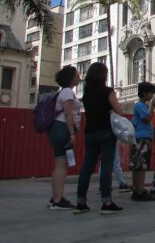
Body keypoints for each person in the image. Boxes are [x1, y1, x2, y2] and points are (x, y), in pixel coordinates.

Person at [75, 62, 125, 215]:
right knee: (106, 166)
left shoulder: (86, 94)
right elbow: (119, 111)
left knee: (87, 167)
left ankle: (81, 201)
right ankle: (106, 201)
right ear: (104, 75)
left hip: (90, 132)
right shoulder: (107, 92)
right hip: (106, 132)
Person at [47, 65, 81, 210]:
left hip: (58, 128)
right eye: (77, 75)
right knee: (61, 164)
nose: (79, 77)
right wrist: (72, 133)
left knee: (59, 163)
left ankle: (55, 197)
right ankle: (58, 199)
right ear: (71, 78)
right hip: (63, 128)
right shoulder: (67, 92)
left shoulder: (63, 92)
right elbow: (68, 113)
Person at [130, 82, 155, 202]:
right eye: (150, 93)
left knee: (138, 165)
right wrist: (153, 107)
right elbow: (147, 119)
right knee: (141, 165)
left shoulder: (141, 106)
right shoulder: (140, 106)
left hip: (141, 137)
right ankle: (140, 191)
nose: (152, 95)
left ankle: (137, 189)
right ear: (144, 93)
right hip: (142, 138)